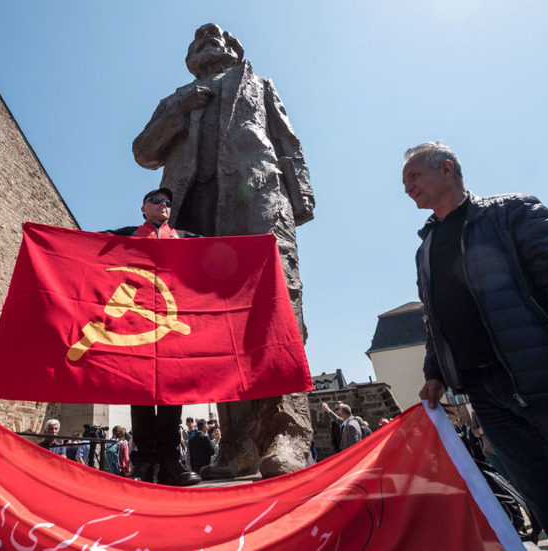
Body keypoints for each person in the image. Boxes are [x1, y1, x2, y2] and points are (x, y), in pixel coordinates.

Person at [134, 22, 315, 480]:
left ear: (235, 49)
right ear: (190, 57)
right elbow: (143, 152)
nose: (208, 36)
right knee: (212, 324)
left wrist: (301, 199)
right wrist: (178, 110)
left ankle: (285, 435)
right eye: (197, 39)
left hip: (256, 199)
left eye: (217, 36)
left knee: (274, 307)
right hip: (192, 208)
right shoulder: (174, 99)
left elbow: (287, 142)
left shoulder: (258, 84)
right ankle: (236, 446)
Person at [403, 141, 548, 550]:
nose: (407, 188)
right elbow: (435, 319)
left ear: (447, 169)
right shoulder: (424, 251)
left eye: (413, 176)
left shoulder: (513, 211)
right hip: (485, 395)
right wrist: (435, 373)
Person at [103, 188, 201, 486]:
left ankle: (171, 461)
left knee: (172, 389)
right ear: (143, 208)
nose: (163, 206)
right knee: (141, 390)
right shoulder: (128, 233)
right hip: (137, 323)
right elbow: (87, 244)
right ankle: (143, 461)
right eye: (156, 201)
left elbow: (219, 251)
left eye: (168, 203)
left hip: (173, 322)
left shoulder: (183, 238)